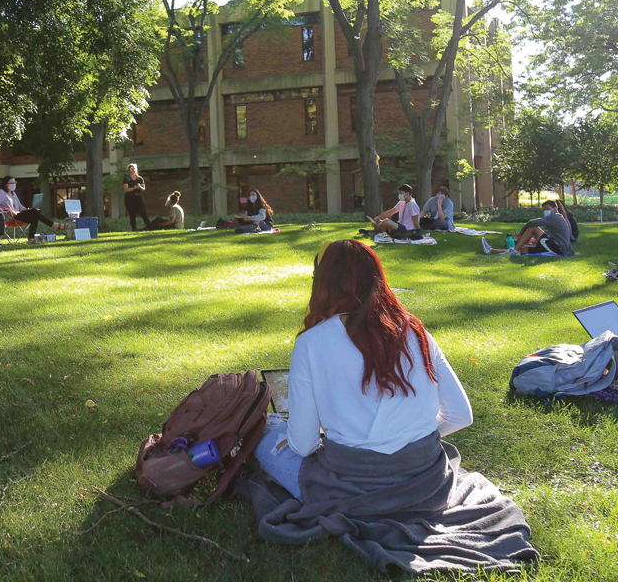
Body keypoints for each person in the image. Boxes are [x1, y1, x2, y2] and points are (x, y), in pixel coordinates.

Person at [244, 240, 536, 573]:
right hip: (425, 482)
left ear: (322, 283)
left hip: (349, 485)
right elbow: (460, 415)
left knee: (269, 432)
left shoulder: (312, 342)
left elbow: (305, 444)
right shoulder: (414, 330)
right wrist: (408, 440)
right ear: (376, 279)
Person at [482, 199, 573, 256]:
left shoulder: (554, 217)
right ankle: (491, 250)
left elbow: (531, 222)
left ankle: (514, 250)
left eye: (547, 209)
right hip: (556, 246)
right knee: (521, 249)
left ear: (555, 209)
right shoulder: (556, 218)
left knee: (533, 228)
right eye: (544, 209)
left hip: (559, 248)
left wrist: (521, 234)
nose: (545, 211)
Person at [0, 177, 58, 241]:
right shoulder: (1, 192)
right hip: (10, 216)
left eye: (15, 182)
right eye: (12, 183)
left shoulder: (13, 193)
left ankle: (31, 239)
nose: (14, 184)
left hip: (18, 214)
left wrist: (26, 209)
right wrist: (6, 210)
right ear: (6, 184)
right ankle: (52, 224)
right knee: (34, 213)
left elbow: (20, 206)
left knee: (34, 216)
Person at [122, 163, 150, 231]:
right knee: (132, 214)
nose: (132, 170)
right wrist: (134, 188)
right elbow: (126, 189)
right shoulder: (127, 179)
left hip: (138, 198)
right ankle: (134, 229)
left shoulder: (140, 178)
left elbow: (143, 189)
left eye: (133, 168)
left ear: (136, 169)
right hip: (130, 198)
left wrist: (139, 187)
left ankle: (150, 226)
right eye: (131, 169)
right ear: (129, 170)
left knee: (143, 213)